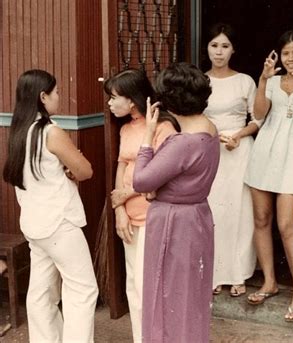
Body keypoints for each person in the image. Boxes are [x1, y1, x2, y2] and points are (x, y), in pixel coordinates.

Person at [2, 69, 98, 342]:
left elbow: (41, 172)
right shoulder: (51, 132)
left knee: (41, 293)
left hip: (34, 225)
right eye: (56, 93)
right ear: (43, 97)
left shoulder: (19, 131)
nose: (59, 97)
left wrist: (65, 170)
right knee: (82, 290)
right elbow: (85, 171)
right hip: (59, 225)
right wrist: (71, 169)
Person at [133, 62, 219, 343]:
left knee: (165, 294)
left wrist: (147, 136)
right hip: (197, 216)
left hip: (173, 221)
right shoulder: (210, 129)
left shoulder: (182, 142)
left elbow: (142, 182)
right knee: (191, 295)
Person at [244, 30, 293, 321]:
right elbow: (259, 115)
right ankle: (270, 282)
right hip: (266, 151)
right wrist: (262, 80)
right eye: (286, 53)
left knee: (287, 224)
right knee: (261, 219)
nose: (291, 58)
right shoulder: (271, 81)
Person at [104, 69, 178, 343]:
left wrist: (126, 194)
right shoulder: (125, 128)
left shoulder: (162, 128)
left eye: (114, 98)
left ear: (132, 100)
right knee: (133, 284)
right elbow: (122, 166)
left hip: (152, 216)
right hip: (130, 217)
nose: (110, 104)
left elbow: (161, 175)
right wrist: (119, 210)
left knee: (149, 285)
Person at [203, 23, 260, 297]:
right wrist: (212, 135)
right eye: (214, 45)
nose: (219, 51)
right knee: (213, 210)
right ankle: (214, 273)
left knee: (240, 211)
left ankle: (239, 273)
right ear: (207, 48)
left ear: (233, 49)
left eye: (225, 46)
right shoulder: (200, 81)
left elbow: (257, 119)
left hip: (239, 149)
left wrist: (238, 135)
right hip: (209, 149)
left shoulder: (245, 81)